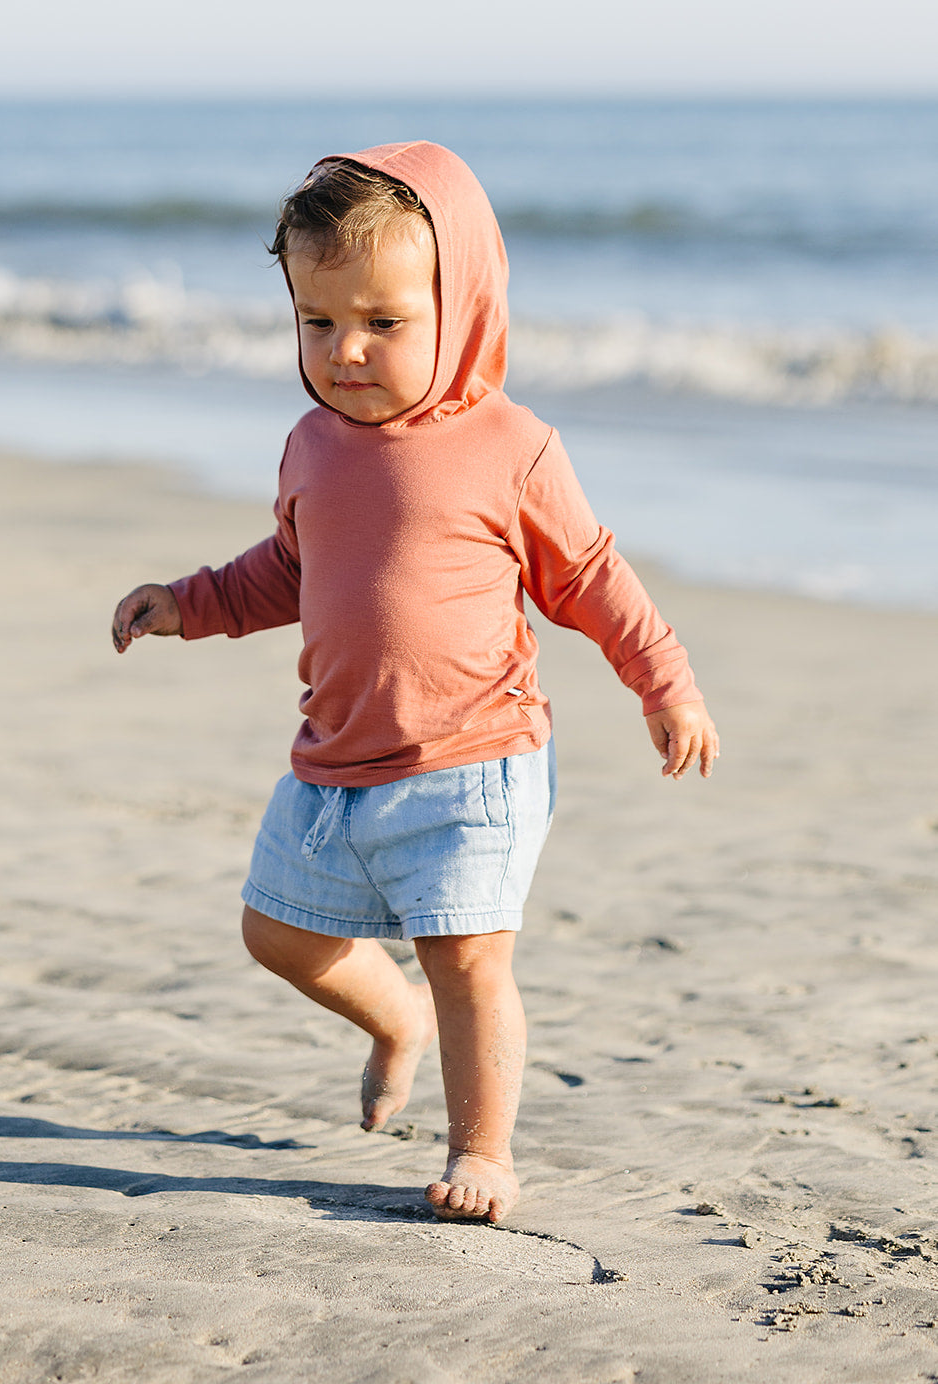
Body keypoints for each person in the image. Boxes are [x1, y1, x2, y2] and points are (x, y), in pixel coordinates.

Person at [111, 142, 719, 1226]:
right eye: (317, 321)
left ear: (460, 305)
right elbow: (287, 572)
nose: (346, 351)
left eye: (383, 323)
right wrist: (188, 602)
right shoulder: (311, 443)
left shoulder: (509, 446)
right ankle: (391, 1022)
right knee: (277, 934)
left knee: (468, 957)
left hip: (473, 758)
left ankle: (482, 1147)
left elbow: (585, 576)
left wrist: (661, 679)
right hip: (335, 760)